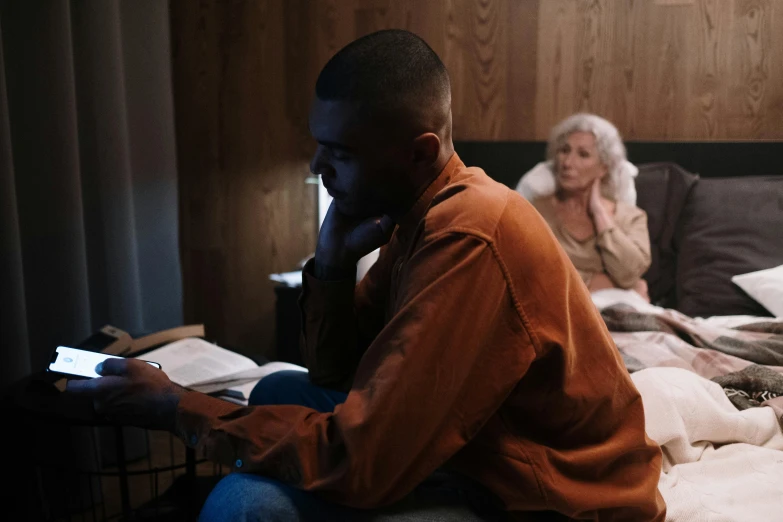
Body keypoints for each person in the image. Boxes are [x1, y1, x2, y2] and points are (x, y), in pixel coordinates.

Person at [67, 30, 665, 521]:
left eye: (341, 154)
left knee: (245, 506)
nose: (316, 166)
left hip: (551, 494)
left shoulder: (471, 232)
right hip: (480, 448)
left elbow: (366, 459)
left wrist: (178, 407)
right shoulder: (420, 219)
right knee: (277, 391)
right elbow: (339, 373)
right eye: (319, 146)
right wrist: (331, 264)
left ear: (421, 153)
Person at [516, 114, 651, 301]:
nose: (567, 162)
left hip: (616, 316)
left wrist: (599, 213)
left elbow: (628, 274)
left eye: (583, 154)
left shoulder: (631, 217)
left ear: (604, 168)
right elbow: (524, 272)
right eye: (564, 150)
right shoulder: (535, 211)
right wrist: (600, 283)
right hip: (554, 310)